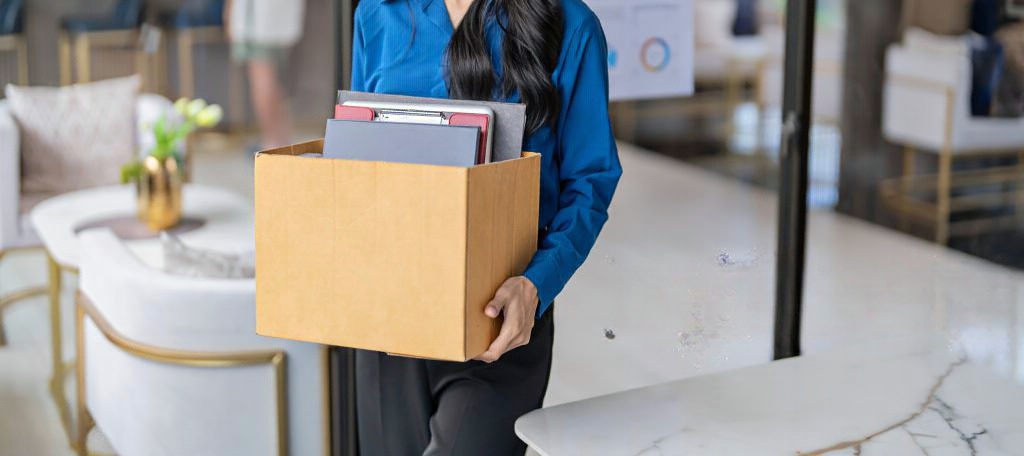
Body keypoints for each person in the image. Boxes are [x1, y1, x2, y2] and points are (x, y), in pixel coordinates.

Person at [350, 0, 622, 454]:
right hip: (388, 318)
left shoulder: (571, 26)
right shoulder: (378, 14)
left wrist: (535, 284)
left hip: (498, 321)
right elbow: (355, 161)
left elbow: (589, 183)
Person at [224, 0, 305, 148]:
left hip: (257, 19)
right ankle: (280, 141)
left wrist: (229, 10)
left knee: (262, 77)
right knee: (272, 81)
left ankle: (273, 143)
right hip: (273, 18)